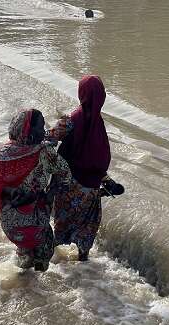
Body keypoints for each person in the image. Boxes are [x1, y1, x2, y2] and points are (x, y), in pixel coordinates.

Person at [0, 109, 71, 272]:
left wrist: (10, 192)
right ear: (27, 131)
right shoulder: (44, 152)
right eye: (39, 127)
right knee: (44, 249)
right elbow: (65, 173)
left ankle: (24, 277)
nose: (43, 130)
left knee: (26, 252)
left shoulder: (5, 153)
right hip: (35, 219)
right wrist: (50, 194)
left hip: (11, 225)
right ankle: (35, 285)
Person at [46, 75, 118, 261]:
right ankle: (83, 261)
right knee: (88, 224)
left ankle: (48, 259)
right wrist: (106, 180)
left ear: (82, 94)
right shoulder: (98, 123)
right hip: (90, 187)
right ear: (101, 97)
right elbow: (98, 158)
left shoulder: (71, 120)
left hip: (68, 184)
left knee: (62, 222)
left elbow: (49, 140)